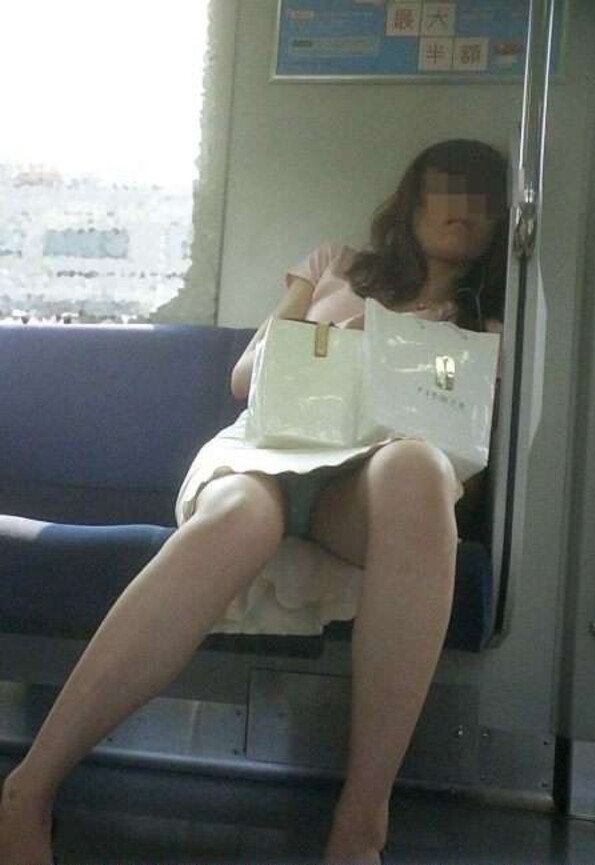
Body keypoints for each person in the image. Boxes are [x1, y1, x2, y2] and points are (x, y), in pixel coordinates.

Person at [0, 138, 508, 865]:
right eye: (448, 188)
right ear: (414, 198)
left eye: (482, 198)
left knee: (420, 470)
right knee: (239, 518)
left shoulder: (482, 329)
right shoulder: (338, 266)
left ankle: (362, 820)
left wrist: (405, 367)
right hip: (270, 449)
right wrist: (336, 342)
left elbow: (466, 474)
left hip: (366, 484)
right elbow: (245, 377)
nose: (463, 210)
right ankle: (30, 787)